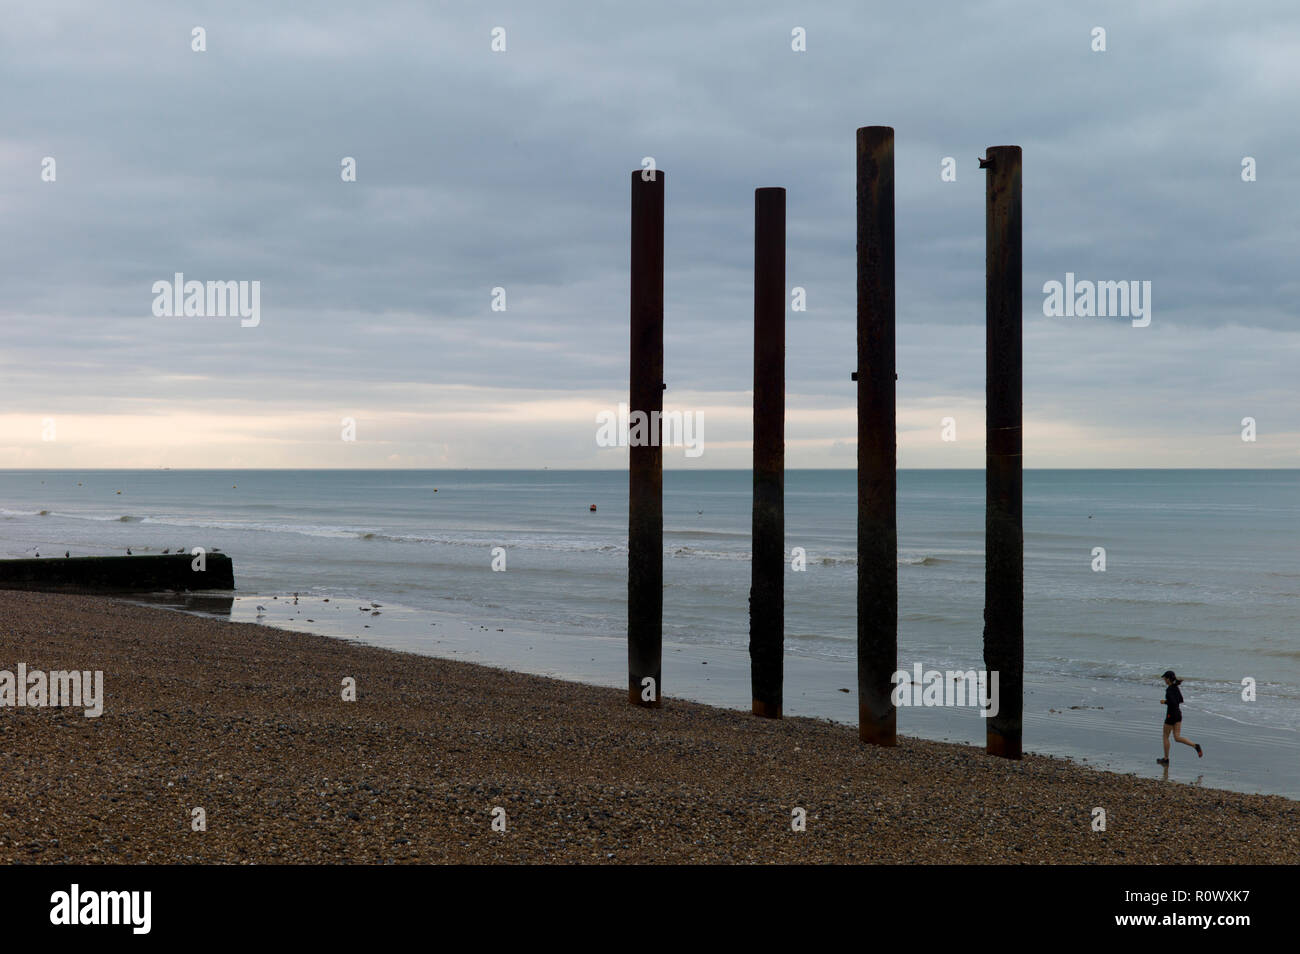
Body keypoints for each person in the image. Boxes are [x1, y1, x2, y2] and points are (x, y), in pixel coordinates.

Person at [1157, 670, 1203, 765]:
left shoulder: (1169, 689)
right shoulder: (1176, 688)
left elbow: (1172, 703)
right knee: (1177, 737)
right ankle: (1195, 746)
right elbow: (1181, 700)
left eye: (1165, 678)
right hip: (1178, 714)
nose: (1164, 680)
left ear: (1168, 679)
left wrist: (1164, 702)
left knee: (1165, 736)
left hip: (1171, 715)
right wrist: (1169, 701)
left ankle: (1166, 759)